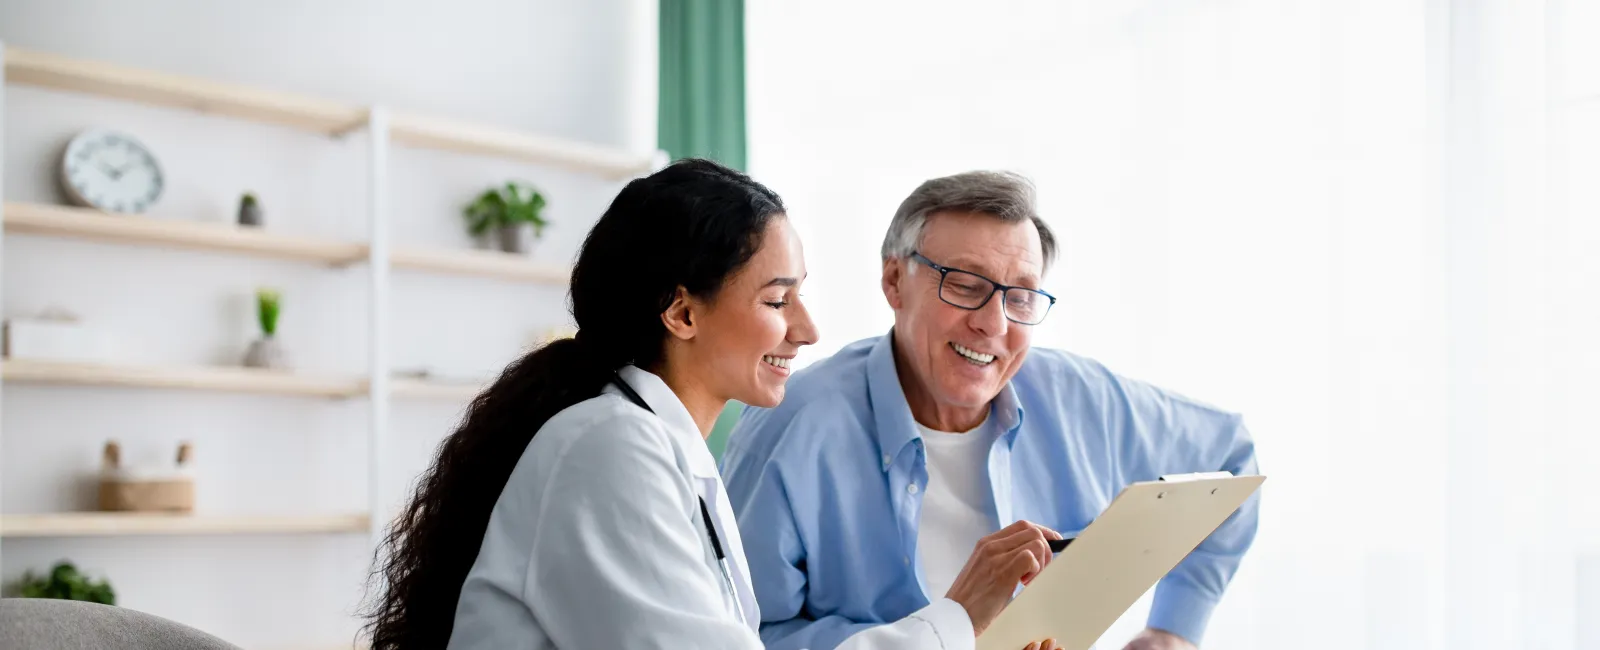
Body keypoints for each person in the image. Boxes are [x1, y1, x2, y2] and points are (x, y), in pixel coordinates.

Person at [359, 159, 1064, 650]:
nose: (807, 328)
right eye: (776, 298)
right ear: (682, 313)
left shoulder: (664, 452)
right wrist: (957, 618)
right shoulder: (609, 450)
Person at [721, 170, 1262, 650]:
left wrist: (1174, 629)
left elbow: (1231, 457)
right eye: (965, 285)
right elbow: (747, 634)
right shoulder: (788, 427)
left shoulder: (1084, 399)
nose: (994, 324)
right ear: (893, 281)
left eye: (1020, 296)